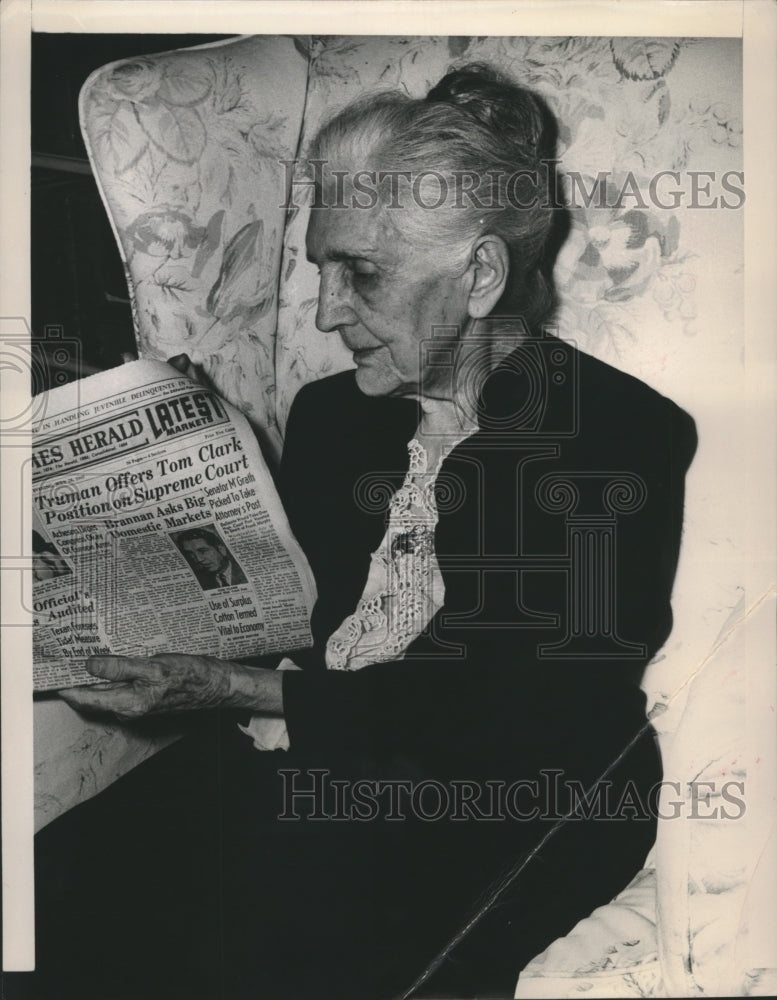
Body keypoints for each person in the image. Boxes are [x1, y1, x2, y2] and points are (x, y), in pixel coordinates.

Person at [31, 64, 696, 1000]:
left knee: (237, 958)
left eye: (361, 274)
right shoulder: (336, 417)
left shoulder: (614, 436)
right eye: (320, 267)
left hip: (509, 800)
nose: (323, 312)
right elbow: (304, 621)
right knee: (45, 897)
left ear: (480, 273)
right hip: (316, 756)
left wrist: (234, 686)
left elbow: (511, 714)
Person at [175, 526, 248, 590]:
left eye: (203, 551)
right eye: (191, 555)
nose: (199, 559)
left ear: (221, 550)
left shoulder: (244, 570)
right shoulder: (200, 581)